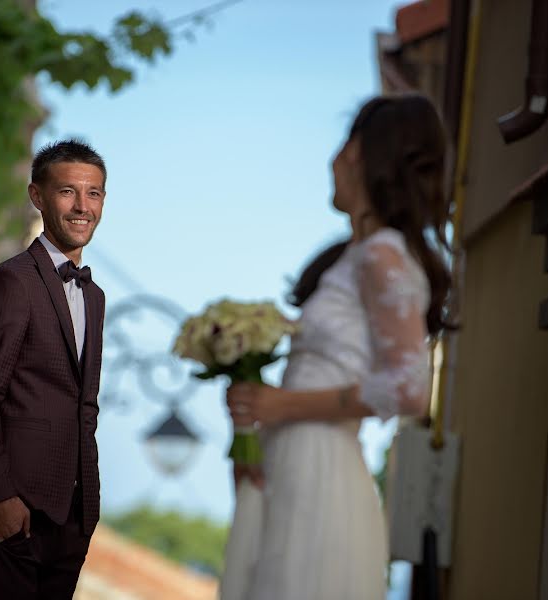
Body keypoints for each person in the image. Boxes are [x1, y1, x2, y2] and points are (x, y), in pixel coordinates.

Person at [219, 93, 454, 600]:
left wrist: (284, 405)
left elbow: (410, 388)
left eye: (343, 146)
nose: (332, 162)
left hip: (321, 467)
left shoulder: (382, 255)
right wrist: (256, 418)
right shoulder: (353, 257)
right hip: (293, 458)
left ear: (362, 156)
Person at [0, 139, 107, 599]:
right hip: (11, 512)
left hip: (70, 519)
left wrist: (89, 509)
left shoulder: (94, 297)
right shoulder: (9, 282)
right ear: (37, 196)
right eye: (67, 192)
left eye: (94, 193)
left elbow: (85, 404)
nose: (83, 207)